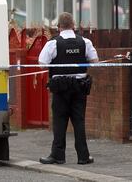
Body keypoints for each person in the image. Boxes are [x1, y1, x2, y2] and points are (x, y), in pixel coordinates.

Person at [38, 12, 98, 165]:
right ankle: (83, 157)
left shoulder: (53, 43)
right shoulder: (85, 42)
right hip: (79, 87)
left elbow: (42, 63)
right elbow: (94, 60)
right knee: (79, 121)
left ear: (58, 27)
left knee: (60, 121)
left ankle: (58, 155)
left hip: (60, 88)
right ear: (73, 26)